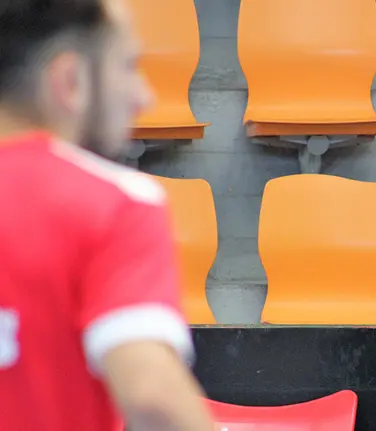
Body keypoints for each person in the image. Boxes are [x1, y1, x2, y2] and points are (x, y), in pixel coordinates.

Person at [0, 0, 215, 430]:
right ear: (71, 81)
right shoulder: (114, 202)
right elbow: (153, 396)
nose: (144, 96)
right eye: (128, 67)